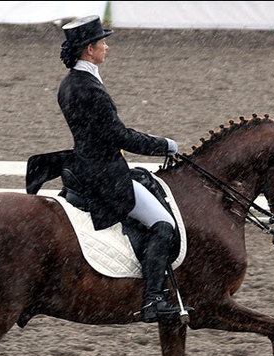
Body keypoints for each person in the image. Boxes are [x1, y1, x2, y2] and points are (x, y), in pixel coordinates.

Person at [57, 15, 187, 323]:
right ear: (89, 49)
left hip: (84, 165)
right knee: (162, 224)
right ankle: (153, 300)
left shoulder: (69, 84)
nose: (107, 47)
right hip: (104, 174)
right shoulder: (89, 88)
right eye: (103, 42)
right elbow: (119, 136)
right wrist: (163, 144)